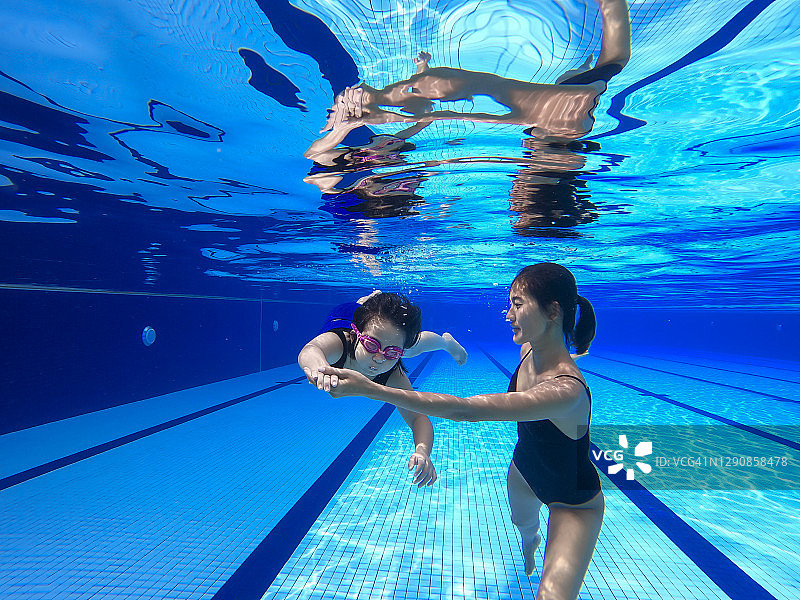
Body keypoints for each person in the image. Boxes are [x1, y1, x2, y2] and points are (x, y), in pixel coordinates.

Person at [318, 264, 602, 600]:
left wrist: (372, 388)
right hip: (524, 471)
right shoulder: (529, 349)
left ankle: (540, 546)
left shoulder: (567, 391)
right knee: (525, 526)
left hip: (573, 500)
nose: (508, 314)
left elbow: (465, 409)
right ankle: (531, 542)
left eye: (517, 304)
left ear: (553, 311)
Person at [322, 0, 630, 143]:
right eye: (519, 206)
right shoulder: (565, 119)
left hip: (557, 118)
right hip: (556, 115)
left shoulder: (564, 125)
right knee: (606, 67)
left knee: (604, 67)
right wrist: (386, 113)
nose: (513, 196)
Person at [298, 291, 468, 487]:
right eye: (371, 346)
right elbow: (311, 350)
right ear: (355, 335)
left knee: (415, 346)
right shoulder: (341, 342)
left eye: (393, 353)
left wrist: (422, 451)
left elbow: (418, 417)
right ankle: (365, 302)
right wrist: (321, 369)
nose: (379, 358)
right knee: (371, 320)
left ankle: (446, 343)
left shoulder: (392, 373)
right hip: (345, 315)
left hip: (380, 330)